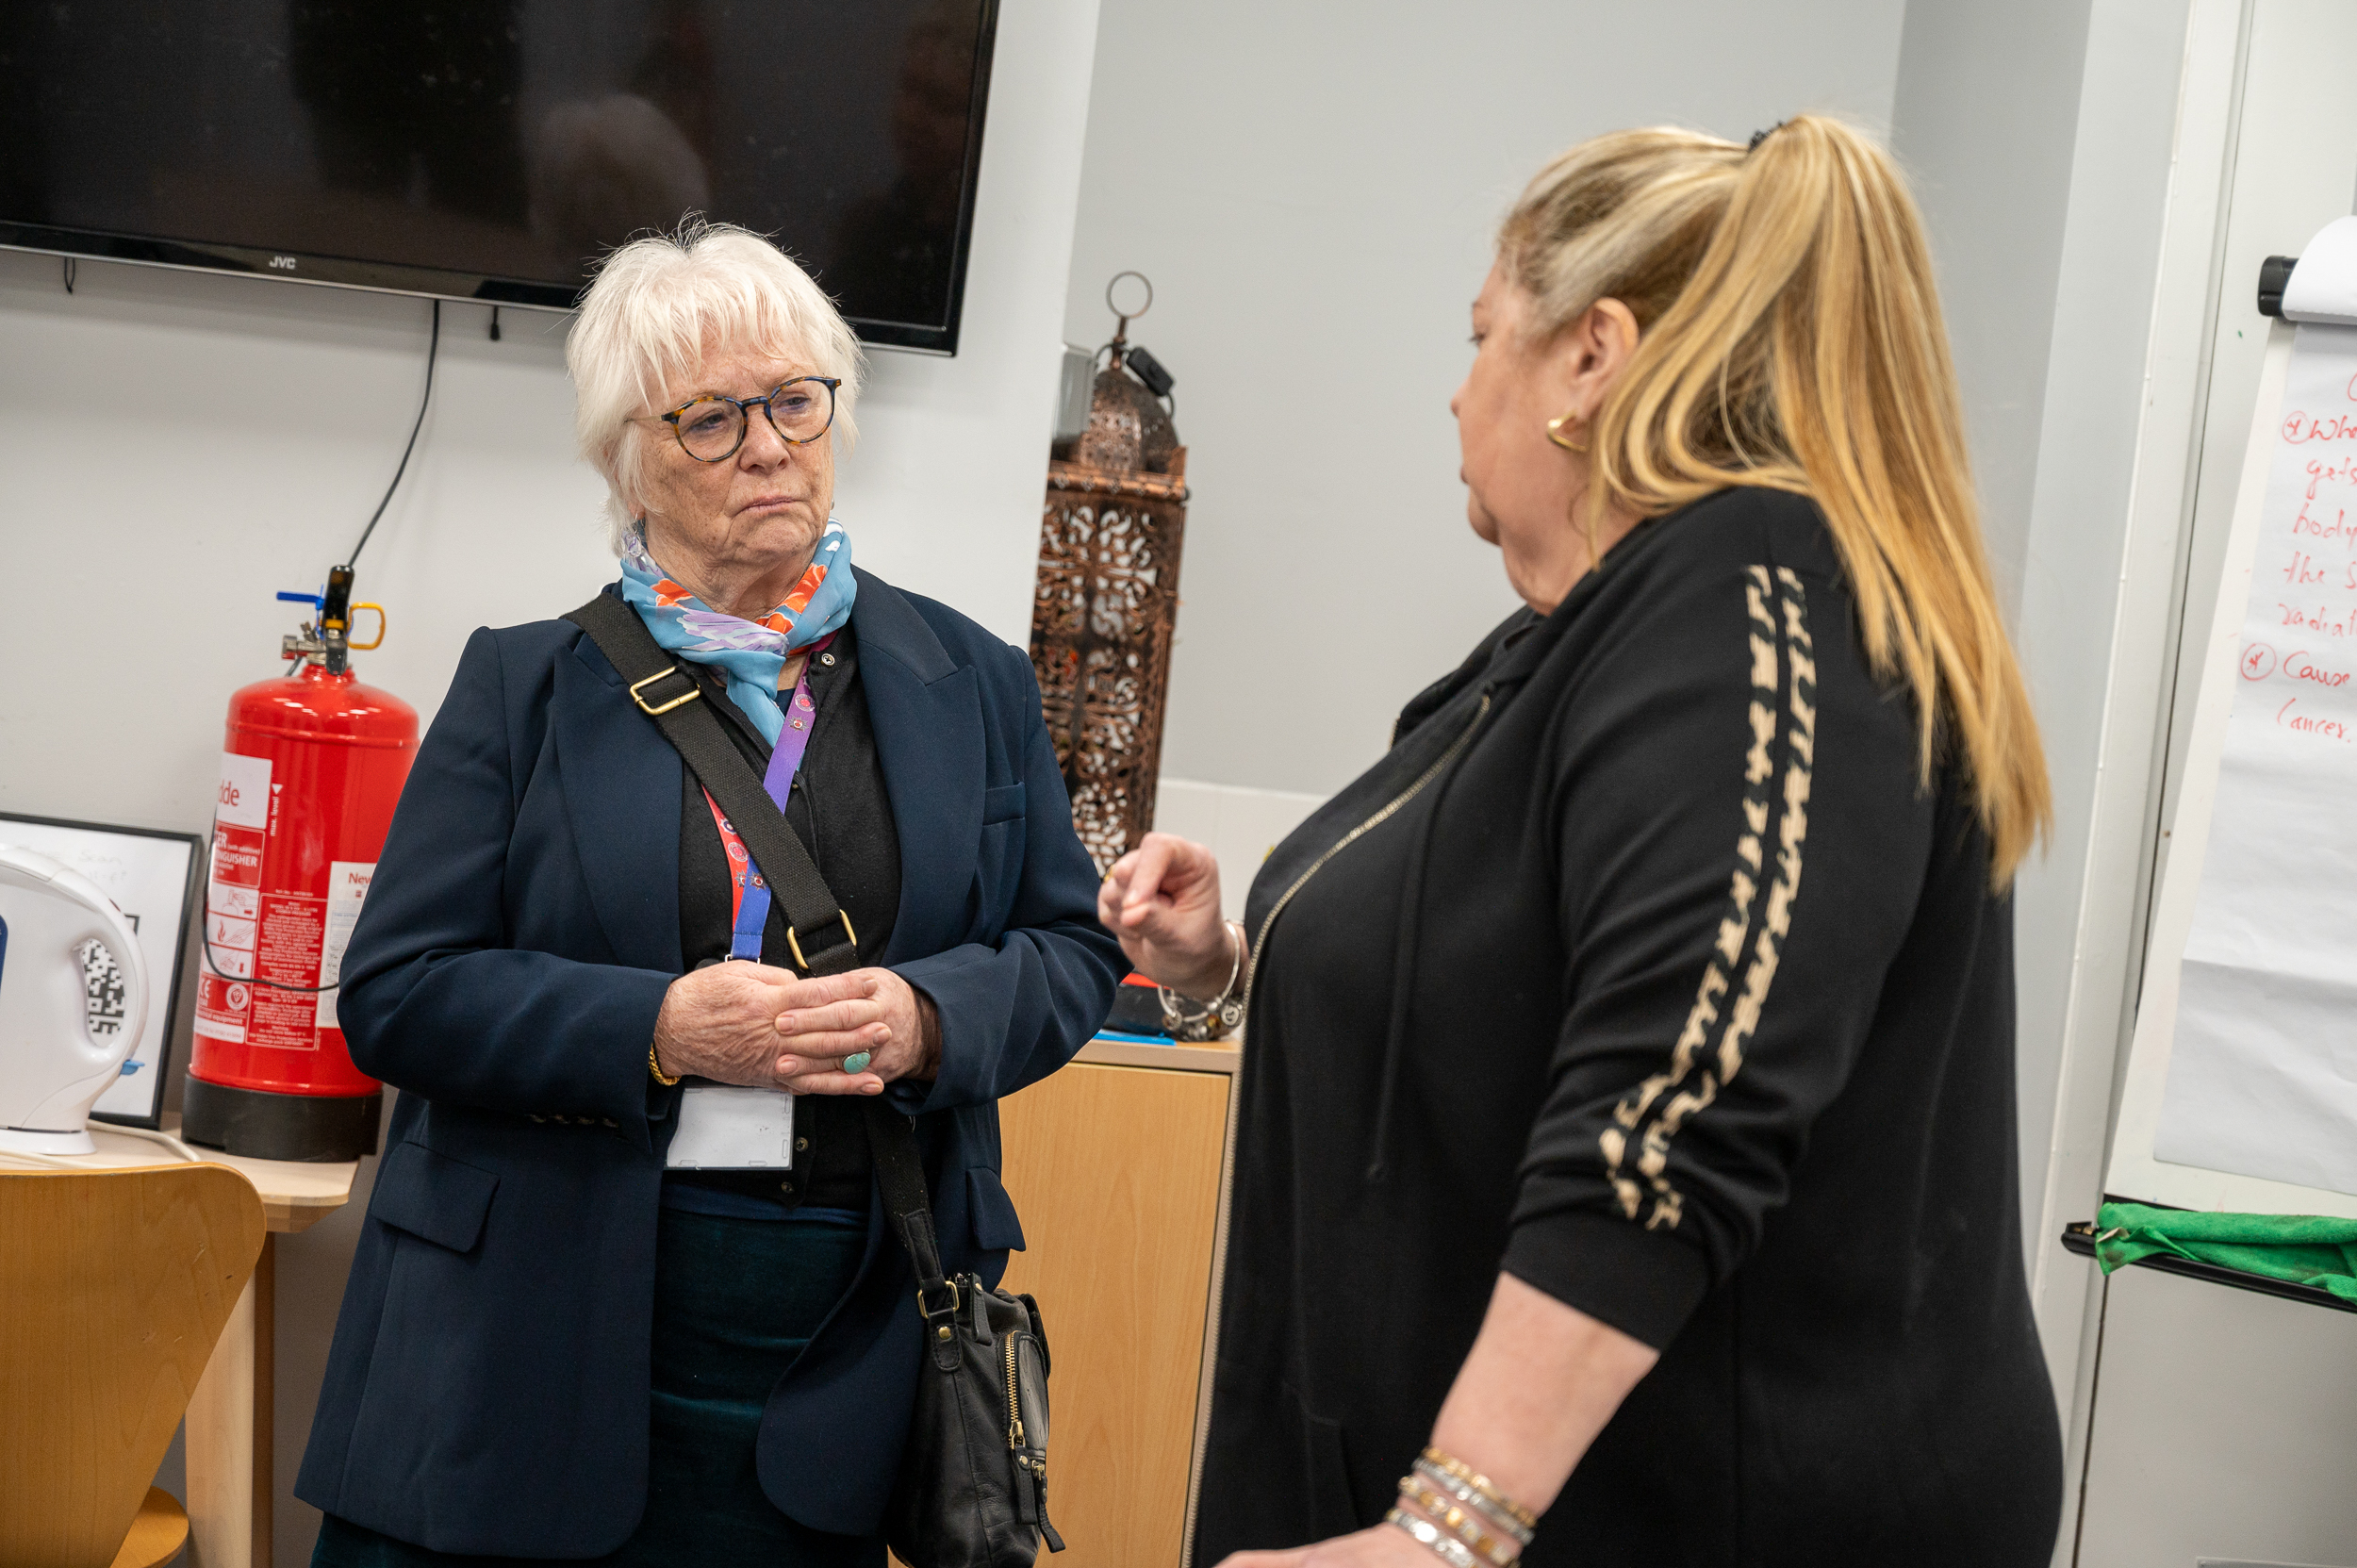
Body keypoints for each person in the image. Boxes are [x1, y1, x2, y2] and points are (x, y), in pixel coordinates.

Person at [1102, 116, 2063, 1567]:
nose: (1454, 391)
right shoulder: (1582, 642)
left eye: (1484, 335)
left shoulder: (1758, 603)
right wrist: (1228, 967)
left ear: (1592, 358)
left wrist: (1444, 1532)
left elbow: (1685, 1089)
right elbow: (1518, 994)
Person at [296, 221, 1123, 1566]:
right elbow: (397, 994)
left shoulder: (970, 682)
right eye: (712, 418)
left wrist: (926, 1017)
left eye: (797, 400)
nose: (770, 445)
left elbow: (1066, 950)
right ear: (632, 457)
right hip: (530, 1336)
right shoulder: (524, 685)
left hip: (842, 1335)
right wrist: (659, 1028)